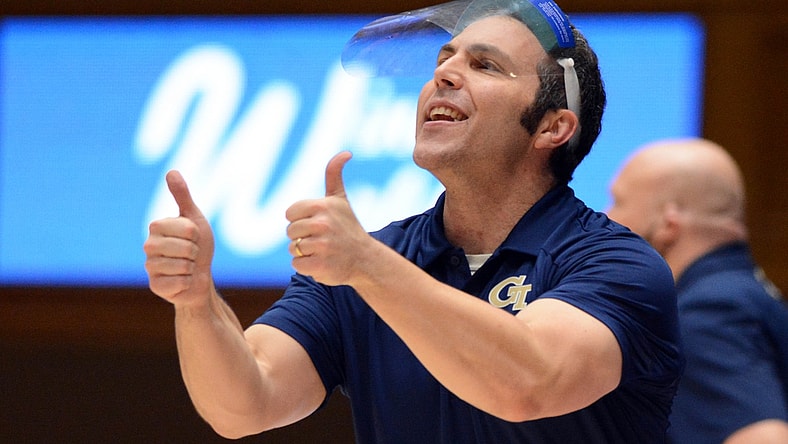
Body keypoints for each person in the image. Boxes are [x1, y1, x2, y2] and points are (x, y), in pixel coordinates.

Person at [143, 1, 683, 442]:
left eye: (485, 65)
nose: (444, 73)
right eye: (445, 58)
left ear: (552, 127)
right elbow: (245, 404)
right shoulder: (365, 262)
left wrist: (367, 266)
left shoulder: (619, 265)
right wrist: (196, 303)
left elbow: (530, 382)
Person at [607, 137, 788, 444]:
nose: (606, 218)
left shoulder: (706, 316)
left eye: (618, 202)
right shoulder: (745, 292)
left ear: (668, 222)